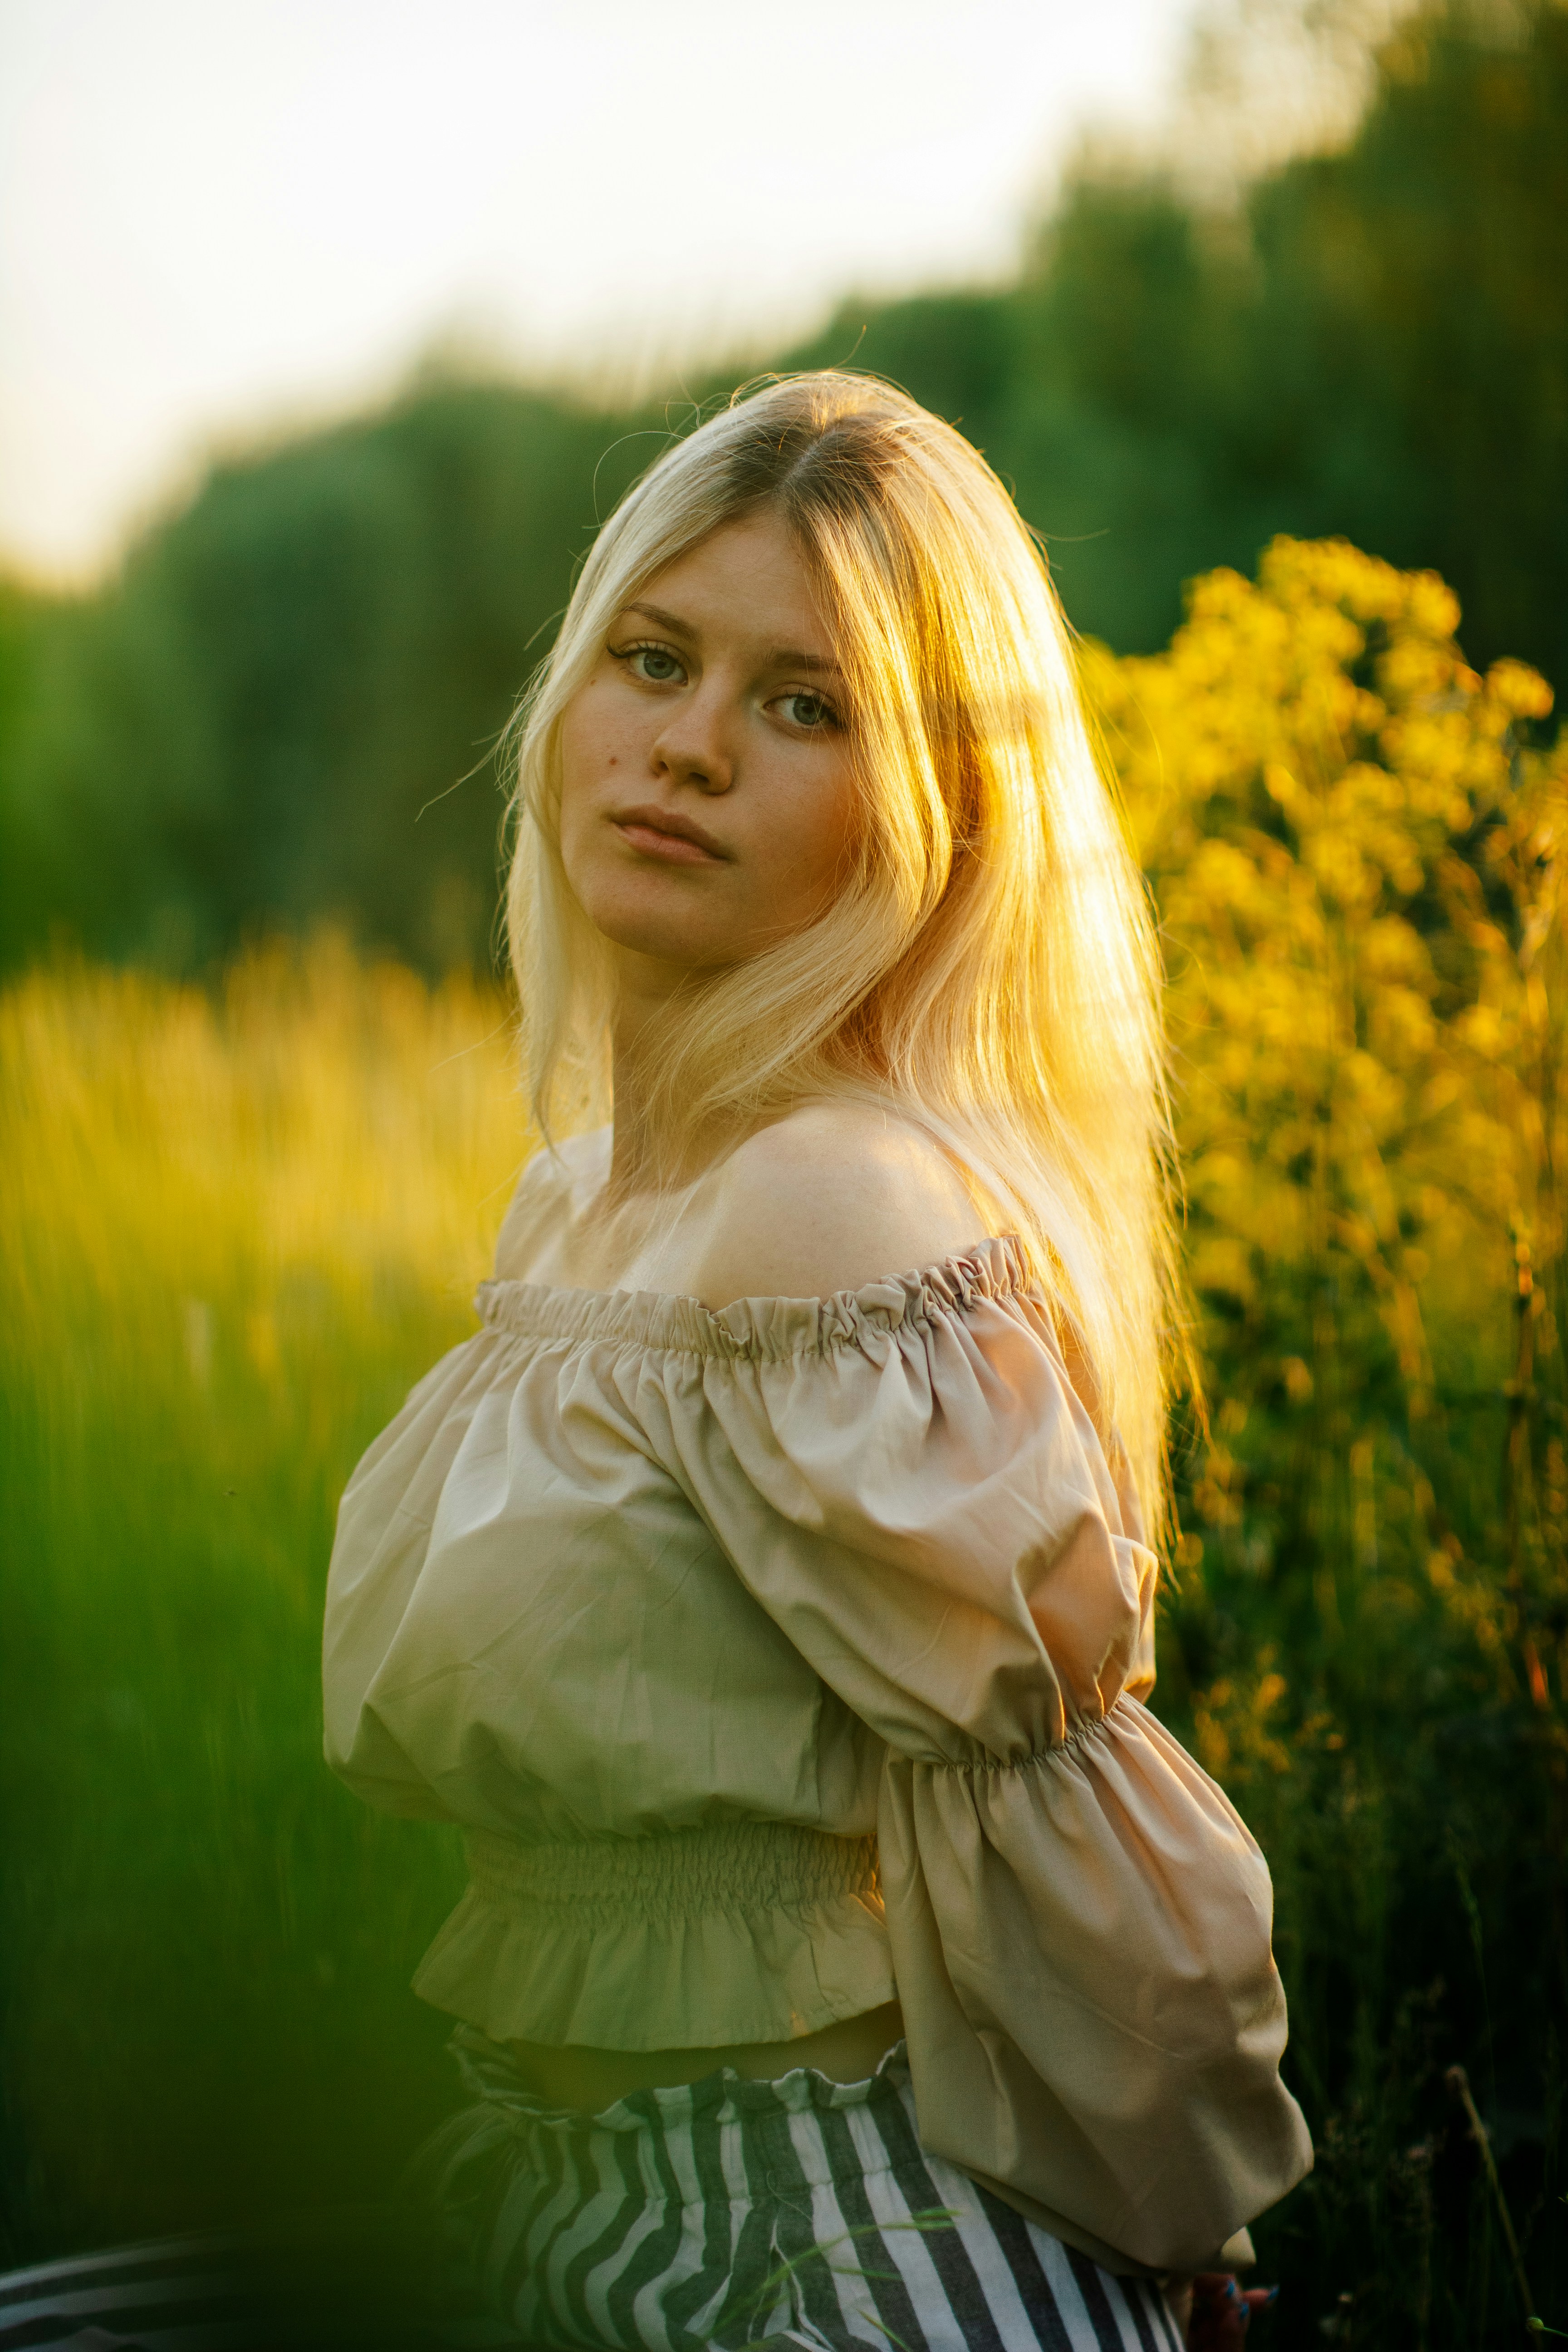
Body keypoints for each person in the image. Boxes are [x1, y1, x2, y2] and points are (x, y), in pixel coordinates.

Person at [322, 372, 1313, 2352]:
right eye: (655, 658)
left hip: (837, 2243)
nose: (685, 749)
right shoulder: (581, 1204)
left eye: (805, 705)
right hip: (570, 2205)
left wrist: (1179, 2251)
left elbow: (1075, 1824)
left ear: (935, 809)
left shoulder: (837, 1219)